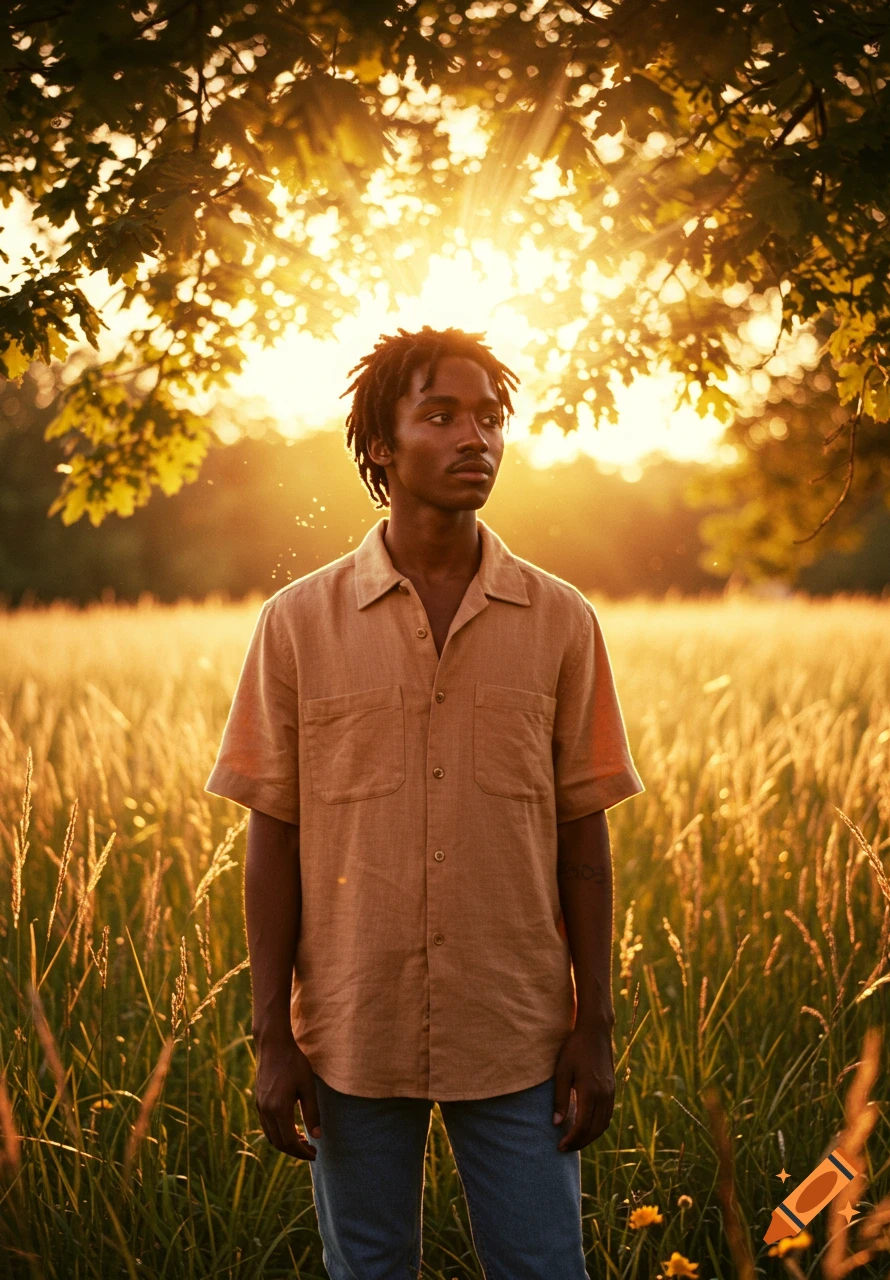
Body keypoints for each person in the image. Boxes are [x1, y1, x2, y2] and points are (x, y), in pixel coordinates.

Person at [205, 324, 646, 1279]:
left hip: (519, 1026)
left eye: (488, 417)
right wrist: (270, 1034)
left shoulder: (562, 620)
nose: (473, 438)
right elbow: (271, 840)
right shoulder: (296, 625)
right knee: (368, 1268)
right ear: (378, 445)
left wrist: (595, 1024)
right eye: (439, 415)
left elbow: (584, 839)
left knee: (544, 1267)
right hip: (353, 1030)